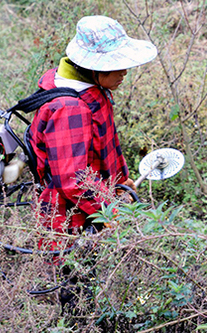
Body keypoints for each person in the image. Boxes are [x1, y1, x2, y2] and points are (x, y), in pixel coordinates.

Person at [28, 15, 157, 245]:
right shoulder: (70, 109)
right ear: (93, 67)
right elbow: (74, 180)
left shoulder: (86, 88)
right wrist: (108, 210)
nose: (124, 72)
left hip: (92, 204)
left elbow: (102, 146)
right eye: (116, 65)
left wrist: (120, 180)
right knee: (72, 276)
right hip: (69, 221)